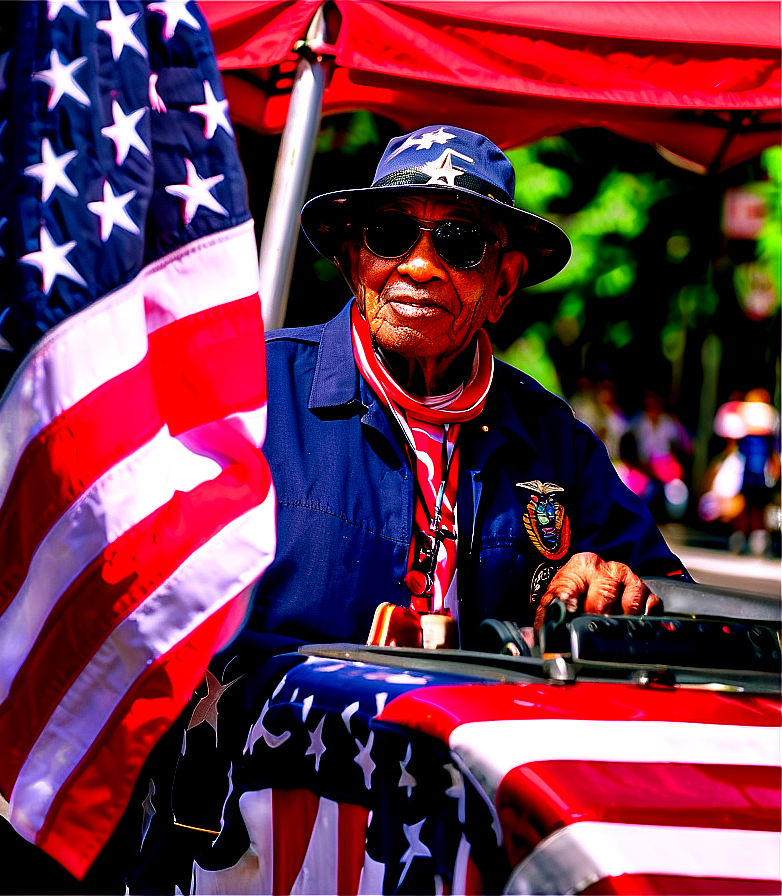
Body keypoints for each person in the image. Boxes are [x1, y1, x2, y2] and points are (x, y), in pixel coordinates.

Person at [249, 125, 688, 650]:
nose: (418, 266)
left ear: (502, 285)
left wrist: (610, 589)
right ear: (353, 262)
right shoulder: (255, 390)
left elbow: (673, 603)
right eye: (390, 233)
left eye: (459, 241)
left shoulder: (553, 440)